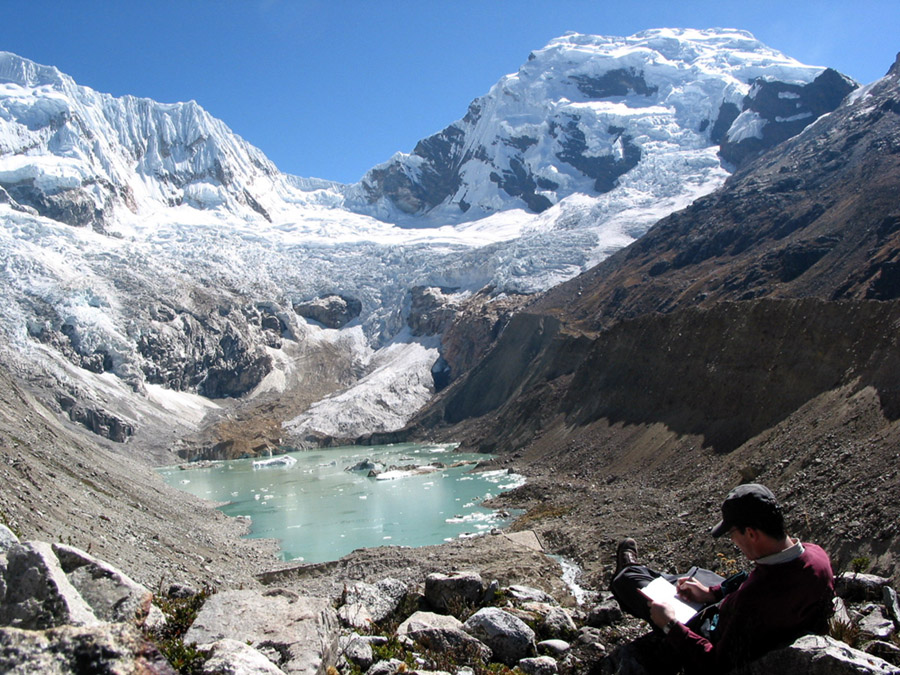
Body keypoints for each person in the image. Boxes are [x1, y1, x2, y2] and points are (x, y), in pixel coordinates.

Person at [610, 483, 835, 674]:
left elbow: (716, 664)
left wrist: (670, 625)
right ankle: (646, 574)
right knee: (689, 581)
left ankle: (630, 570)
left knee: (628, 583)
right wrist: (713, 593)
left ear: (751, 534)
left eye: (732, 534)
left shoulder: (753, 599)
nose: (733, 541)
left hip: (715, 625)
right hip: (737, 608)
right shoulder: (816, 555)